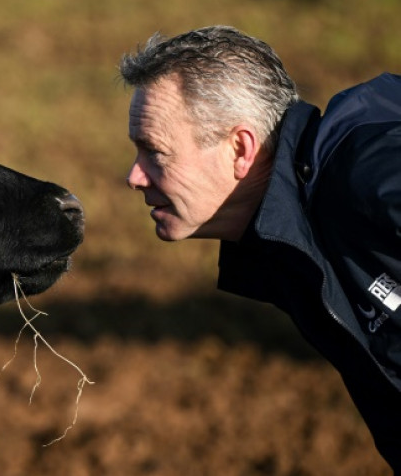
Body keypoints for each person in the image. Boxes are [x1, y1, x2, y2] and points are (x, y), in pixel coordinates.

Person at [120, 25, 401, 471]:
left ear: (240, 148)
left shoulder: (372, 176)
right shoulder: (292, 245)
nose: (134, 177)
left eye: (155, 151)